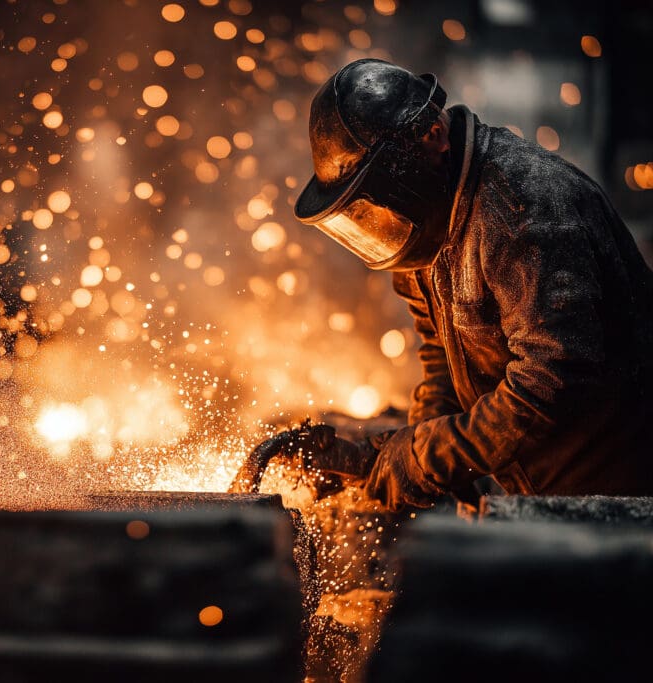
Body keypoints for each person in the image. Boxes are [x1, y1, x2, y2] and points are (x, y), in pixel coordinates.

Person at [260, 58, 653, 511]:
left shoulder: (525, 209)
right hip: (534, 489)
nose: (382, 216)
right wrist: (420, 453)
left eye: (382, 192)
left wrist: (428, 457)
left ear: (432, 135)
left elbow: (554, 379)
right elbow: (440, 350)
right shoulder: (426, 213)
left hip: (619, 492)